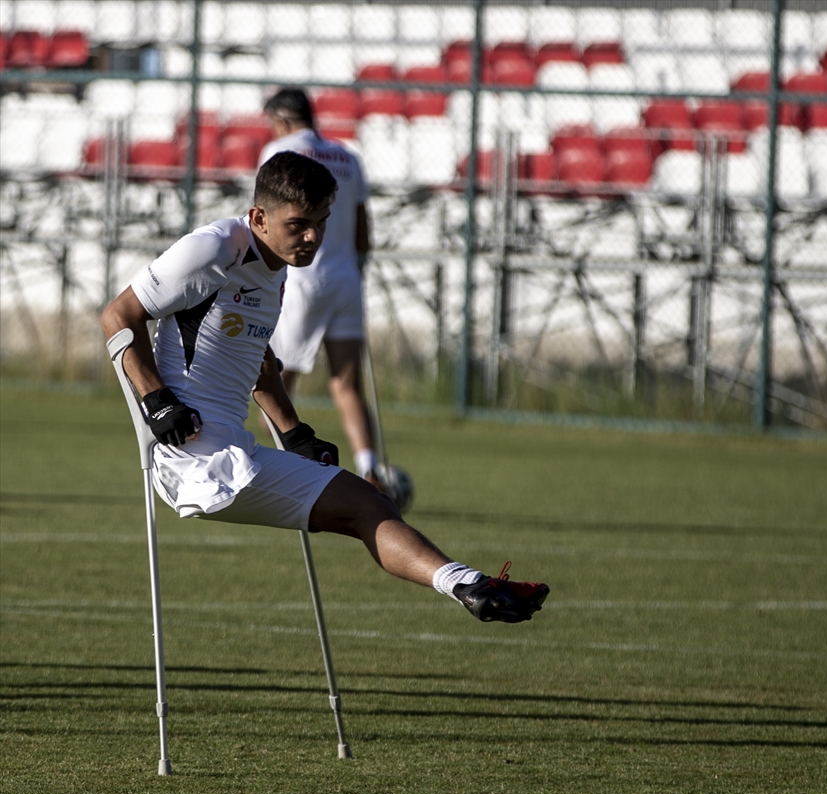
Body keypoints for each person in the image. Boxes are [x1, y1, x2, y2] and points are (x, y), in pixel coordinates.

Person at [100, 150, 548, 623]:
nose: (313, 236)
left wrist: (295, 434)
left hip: (235, 451)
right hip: (194, 461)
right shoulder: (213, 249)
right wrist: (156, 399)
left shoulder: (276, 266)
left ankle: (470, 586)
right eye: (298, 224)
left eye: (322, 221)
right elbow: (118, 316)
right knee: (365, 505)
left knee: (370, 503)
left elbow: (260, 362)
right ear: (259, 217)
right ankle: (469, 585)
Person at [257, 87, 395, 496]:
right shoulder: (348, 156)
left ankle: (281, 467)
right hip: (346, 277)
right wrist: (357, 270)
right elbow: (361, 223)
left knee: (279, 377)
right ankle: (370, 468)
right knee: (346, 380)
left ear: (281, 120)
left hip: (302, 278)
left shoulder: (278, 151)